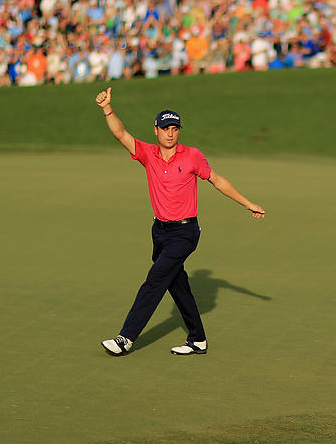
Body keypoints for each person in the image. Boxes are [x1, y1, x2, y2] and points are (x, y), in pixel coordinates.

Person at [95, 87, 265, 357]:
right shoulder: (147, 153)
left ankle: (125, 338)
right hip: (160, 231)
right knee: (176, 282)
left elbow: (217, 180)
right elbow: (120, 134)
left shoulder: (192, 156)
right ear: (156, 131)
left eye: (175, 128)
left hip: (185, 232)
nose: (171, 133)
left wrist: (248, 203)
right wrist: (107, 108)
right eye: (165, 128)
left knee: (155, 280)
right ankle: (197, 339)